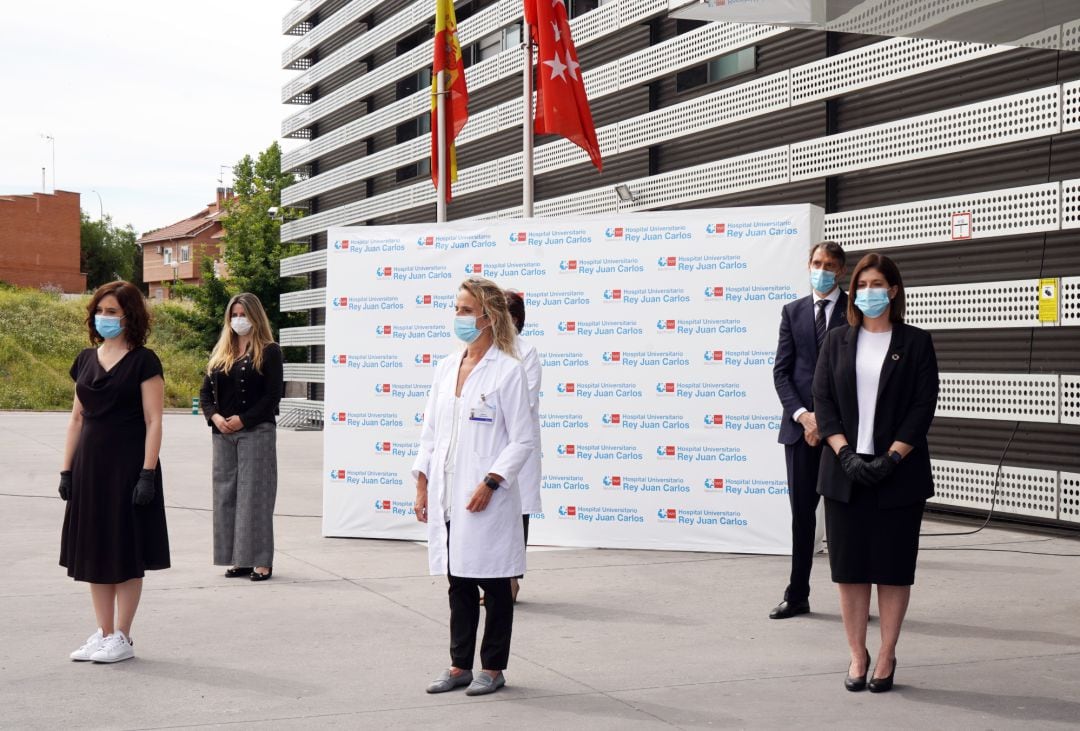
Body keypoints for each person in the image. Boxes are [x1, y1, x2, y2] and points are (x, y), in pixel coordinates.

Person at [812, 253, 939, 693]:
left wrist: (893, 457)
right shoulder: (836, 342)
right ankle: (856, 654)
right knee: (849, 571)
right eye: (861, 284)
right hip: (844, 472)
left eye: (876, 283)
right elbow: (823, 403)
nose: (868, 291)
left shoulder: (917, 342)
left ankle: (886, 654)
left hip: (898, 474)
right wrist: (845, 453)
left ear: (894, 290)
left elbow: (923, 407)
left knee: (892, 568)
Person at [412, 277, 536, 697]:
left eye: (466, 310)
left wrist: (491, 482)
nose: (458, 317)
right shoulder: (446, 368)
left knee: (495, 583)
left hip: (488, 496)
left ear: (489, 317)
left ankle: (493, 667)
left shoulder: (508, 371)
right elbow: (430, 433)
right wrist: (423, 486)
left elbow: (522, 439)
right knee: (458, 580)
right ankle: (458, 664)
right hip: (448, 493)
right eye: (456, 309)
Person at [60, 280, 169, 663]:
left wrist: (147, 473)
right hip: (90, 467)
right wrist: (66, 469)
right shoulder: (85, 360)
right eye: (100, 311)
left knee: (126, 550)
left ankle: (122, 635)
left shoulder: (144, 361)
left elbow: (154, 421)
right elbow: (76, 419)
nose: (104, 318)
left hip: (127, 466)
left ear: (129, 316)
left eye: (113, 312)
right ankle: (103, 632)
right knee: (94, 551)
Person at [770, 241, 848, 619]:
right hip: (800, 432)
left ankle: (855, 598)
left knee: (844, 519)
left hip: (843, 436)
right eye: (817, 263)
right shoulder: (793, 311)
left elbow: (857, 376)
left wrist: (827, 423)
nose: (822, 270)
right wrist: (805, 417)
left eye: (830, 265)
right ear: (809, 264)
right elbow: (782, 372)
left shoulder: (855, 311)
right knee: (802, 517)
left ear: (842, 271)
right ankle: (797, 594)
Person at [200, 293, 283, 582]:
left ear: (255, 316)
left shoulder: (270, 351)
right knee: (227, 496)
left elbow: (273, 396)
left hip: (256, 431)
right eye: (233, 314)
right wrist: (215, 417)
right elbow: (205, 393)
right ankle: (239, 559)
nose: (238, 319)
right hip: (222, 434)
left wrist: (244, 419)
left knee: (254, 495)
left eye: (243, 313)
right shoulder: (221, 351)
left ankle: (261, 561)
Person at [505, 290, 542, 603]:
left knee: (519, 512)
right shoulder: (480, 351)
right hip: (486, 444)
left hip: (516, 442)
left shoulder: (526, 353)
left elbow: (524, 401)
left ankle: (512, 580)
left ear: (514, 319)